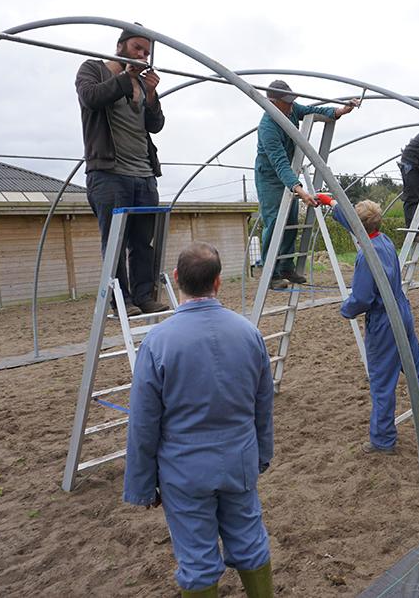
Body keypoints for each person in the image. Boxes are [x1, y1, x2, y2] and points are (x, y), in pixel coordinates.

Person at [123, 242, 275, 598]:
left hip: (183, 470)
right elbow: (263, 404)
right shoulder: (249, 333)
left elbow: (143, 422)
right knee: (250, 540)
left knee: (196, 559)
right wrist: (261, 456)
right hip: (239, 461)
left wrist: (143, 485)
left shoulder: (158, 341)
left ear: (176, 279)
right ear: (218, 282)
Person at [316, 193, 419, 453]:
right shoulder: (385, 241)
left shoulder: (366, 256)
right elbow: (357, 226)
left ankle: (383, 440)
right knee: (418, 373)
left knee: (382, 382)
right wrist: (332, 203)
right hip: (401, 313)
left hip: (384, 322)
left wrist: (345, 309)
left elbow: (362, 298)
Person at [75, 24, 168, 316]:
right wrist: (125, 79)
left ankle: (144, 296)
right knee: (114, 241)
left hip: (143, 174)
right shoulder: (93, 69)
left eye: (146, 52)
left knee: (143, 241)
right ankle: (121, 301)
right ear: (120, 46)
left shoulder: (141, 84)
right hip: (108, 173)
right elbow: (91, 98)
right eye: (137, 48)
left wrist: (151, 94)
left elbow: (155, 125)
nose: (142, 55)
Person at [255, 80, 359, 290]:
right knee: (275, 221)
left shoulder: (291, 111)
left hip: (289, 174)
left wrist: (340, 111)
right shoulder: (267, 127)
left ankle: (286, 266)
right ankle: (271, 273)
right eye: (286, 102)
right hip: (270, 178)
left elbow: (313, 110)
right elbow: (279, 162)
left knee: (291, 219)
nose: (291, 105)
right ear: (272, 103)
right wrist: (300, 190)